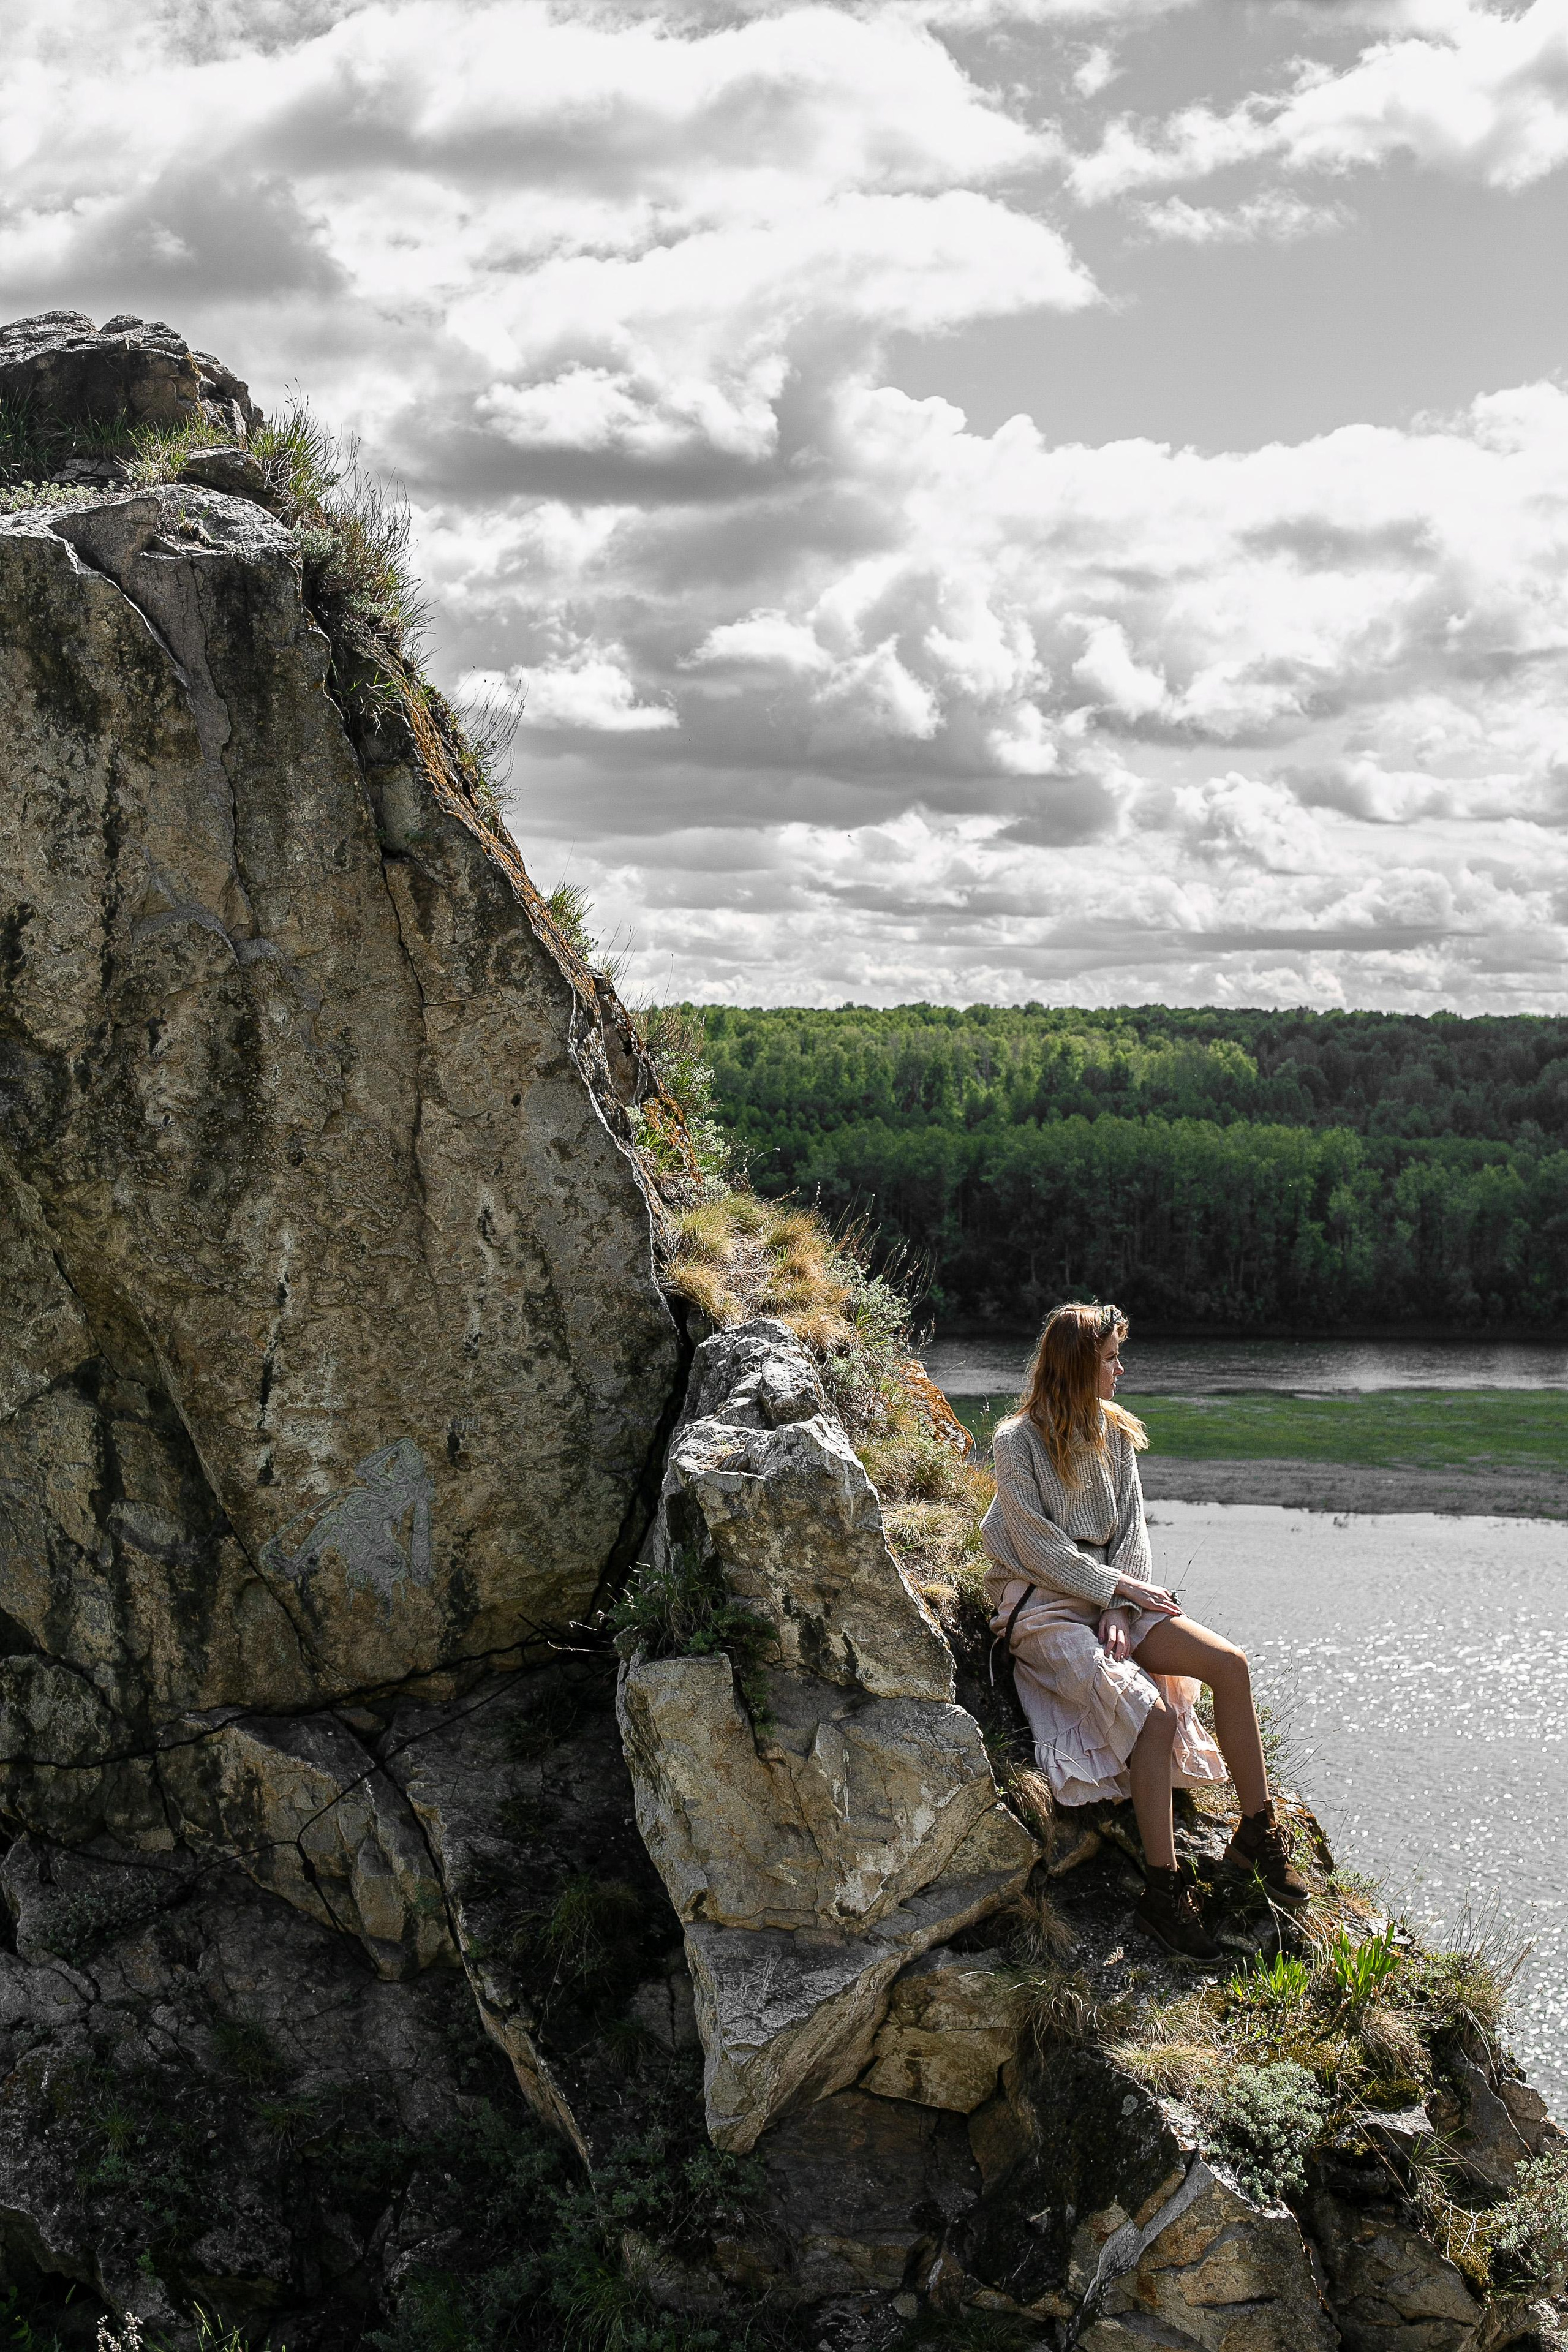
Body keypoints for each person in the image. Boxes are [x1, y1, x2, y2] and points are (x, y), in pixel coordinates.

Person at [982, 1301, 1308, 1961]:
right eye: (1109, 1360)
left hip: (1112, 1600)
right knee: (1152, 1715)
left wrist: (1119, 1607)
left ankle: (1256, 1834)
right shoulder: (1014, 1443)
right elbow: (1038, 1547)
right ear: (1077, 1367)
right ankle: (1163, 1892)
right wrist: (1112, 1592)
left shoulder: (1117, 1435)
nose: (1119, 1370)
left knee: (1230, 1665)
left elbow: (1133, 1534)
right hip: (1042, 1606)